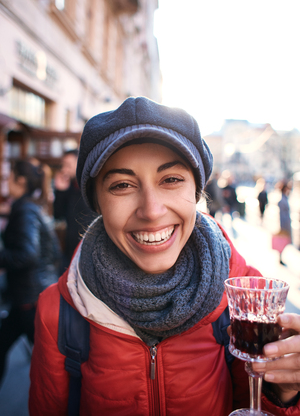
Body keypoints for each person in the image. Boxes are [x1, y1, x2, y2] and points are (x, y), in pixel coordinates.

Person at [29, 97, 300, 415]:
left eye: (171, 180)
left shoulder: (247, 299)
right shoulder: (57, 312)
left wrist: (283, 392)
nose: (152, 211)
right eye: (122, 185)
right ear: (97, 203)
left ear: (197, 192)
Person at [0, 160, 59, 385]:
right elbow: (52, 251)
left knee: (51, 363)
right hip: (31, 295)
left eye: (8, 178)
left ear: (20, 181)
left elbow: (27, 254)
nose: (6, 183)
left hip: (30, 298)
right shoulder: (33, 207)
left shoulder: (25, 209)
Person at [53, 149, 94, 274]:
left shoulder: (90, 187)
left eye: (68, 165)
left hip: (87, 250)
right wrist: (60, 191)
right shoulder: (70, 187)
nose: (64, 169)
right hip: (70, 250)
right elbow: (58, 215)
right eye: (63, 165)